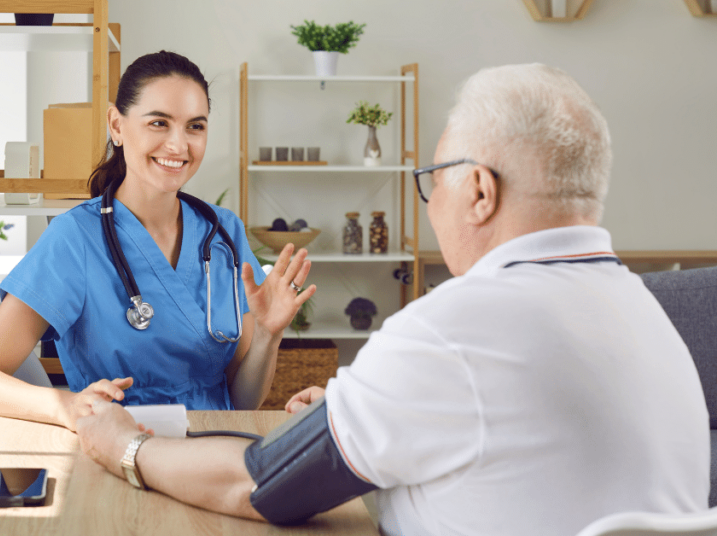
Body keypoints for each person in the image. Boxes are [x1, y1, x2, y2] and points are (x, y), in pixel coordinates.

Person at [75, 63, 710, 535]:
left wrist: (124, 447)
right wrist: (370, 406)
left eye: (435, 182)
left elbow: (261, 483)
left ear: (481, 192)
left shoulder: (454, 330)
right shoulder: (649, 317)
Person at [0, 50, 316, 431]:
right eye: (159, 123)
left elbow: (241, 401)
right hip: (120, 450)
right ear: (117, 126)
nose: (179, 145)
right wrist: (65, 405)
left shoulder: (224, 232)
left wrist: (269, 336)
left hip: (217, 444)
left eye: (196, 126)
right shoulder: (76, 239)